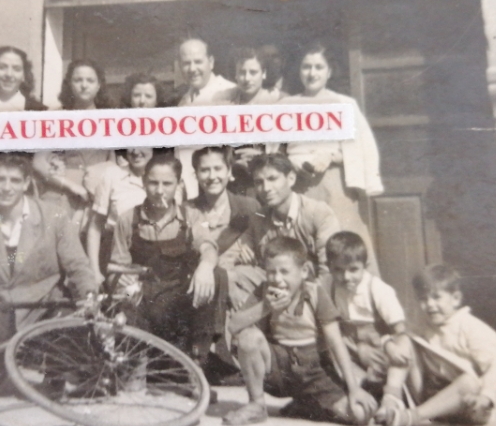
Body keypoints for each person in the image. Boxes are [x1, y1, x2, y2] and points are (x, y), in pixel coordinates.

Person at [0, 154, 100, 357]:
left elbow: (78, 265)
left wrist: (89, 296)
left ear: (26, 183)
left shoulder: (53, 216)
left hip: (43, 309)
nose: (6, 187)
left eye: (14, 180)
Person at [221, 236, 357, 426]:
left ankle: (307, 404)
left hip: (313, 371)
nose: (277, 279)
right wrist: (265, 307)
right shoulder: (265, 291)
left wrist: (354, 389)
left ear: (304, 271)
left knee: (358, 414)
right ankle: (256, 405)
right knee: (247, 337)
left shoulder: (315, 293)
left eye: (284, 272)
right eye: (271, 272)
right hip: (279, 368)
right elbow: (234, 325)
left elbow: (336, 342)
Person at [280, 41, 382, 268]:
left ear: (329, 71)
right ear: (299, 70)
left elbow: (362, 148)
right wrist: (293, 163)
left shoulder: (344, 104)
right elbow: (275, 151)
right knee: (305, 250)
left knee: (346, 247)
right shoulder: (287, 105)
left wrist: (330, 157)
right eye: (306, 67)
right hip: (301, 187)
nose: (312, 73)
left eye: (319, 67)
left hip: (335, 187)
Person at [374, 264, 496, 426]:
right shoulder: (423, 324)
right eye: (423, 299)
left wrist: (486, 396)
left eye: (436, 297)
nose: (430, 304)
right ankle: (391, 399)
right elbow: (399, 338)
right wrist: (388, 344)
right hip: (428, 395)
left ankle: (412, 417)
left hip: (466, 401)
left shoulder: (472, 328)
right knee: (404, 340)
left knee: (470, 382)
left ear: (456, 299)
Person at [219, 153, 341, 309]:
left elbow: (329, 271)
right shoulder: (259, 218)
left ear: (291, 179)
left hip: (312, 295)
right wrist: (231, 282)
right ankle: (251, 321)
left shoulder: (318, 213)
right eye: (259, 182)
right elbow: (225, 261)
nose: (266, 188)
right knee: (235, 274)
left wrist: (304, 302)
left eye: (272, 179)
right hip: (277, 290)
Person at [109, 155, 199, 354]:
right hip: (140, 297)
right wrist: (122, 282)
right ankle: (132, 364)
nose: (159, 191)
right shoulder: (127, 219)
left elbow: (208, 247)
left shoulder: (190, 217)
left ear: (179, 184)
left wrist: (206, 267)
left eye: (167, 184)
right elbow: (116, 269)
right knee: (126, 312)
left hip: (176, 301)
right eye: (153, 183)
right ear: (143, 182)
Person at [183, 146, 260, 372]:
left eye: (218, 168)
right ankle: (211, 355)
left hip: (242, 277)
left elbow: (263, 241)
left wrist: (251, 248)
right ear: (196, 175)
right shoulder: (188, 209)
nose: (212, 176)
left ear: (229, 172)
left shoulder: (249, 206)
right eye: (204, 170)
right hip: (207, 278)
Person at [320, 231, 407, 425]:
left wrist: (392, 347)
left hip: (379, 349)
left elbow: (400, 330)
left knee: (403, 350)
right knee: (329, 348)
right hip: (351, 353)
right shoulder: (327, 285)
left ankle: (391, 398)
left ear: (365, 267)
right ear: (328, 267)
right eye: (338, 270)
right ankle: (358, 394)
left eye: (353, 269)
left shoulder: (378, 289)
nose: (346, 277)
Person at [33, 59, 113, 222]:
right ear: (69, 84)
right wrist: (71, 186)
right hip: (62, 192)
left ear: (99, 85)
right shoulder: (57, 118)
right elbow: (38, 163)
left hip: (97, 196)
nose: (84, 85)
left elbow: (113, 164)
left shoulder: (109, 120)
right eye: (78, 80)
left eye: (90, 80)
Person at [175, 37, 237, 198]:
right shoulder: (183, 101)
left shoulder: (230, 93)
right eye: (186, 63)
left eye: (198, 62)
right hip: (190, 190)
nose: (192, 68)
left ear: (211, 62)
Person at [86, 147, 152, 275]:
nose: (135, 151)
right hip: (116, 257)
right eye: (130, 144)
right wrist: (94, 272)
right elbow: (95, 226)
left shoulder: (166, 176)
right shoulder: (112, 174)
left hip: (155, 255)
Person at [226, 47, 282, 195]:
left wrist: (261, 157)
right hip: (235, 183)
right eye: (242, 72)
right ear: (235, 75)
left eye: (253, 72)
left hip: (268, 183)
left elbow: (288, 151)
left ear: (264, 73)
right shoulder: (228, 105)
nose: (247, 78)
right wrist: (232, 161)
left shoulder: (278, 103)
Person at [0, 45, 47, 112]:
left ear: (24, 75)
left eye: (17, 69)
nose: (9, 74)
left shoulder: (40, 110)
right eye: (2, 67)